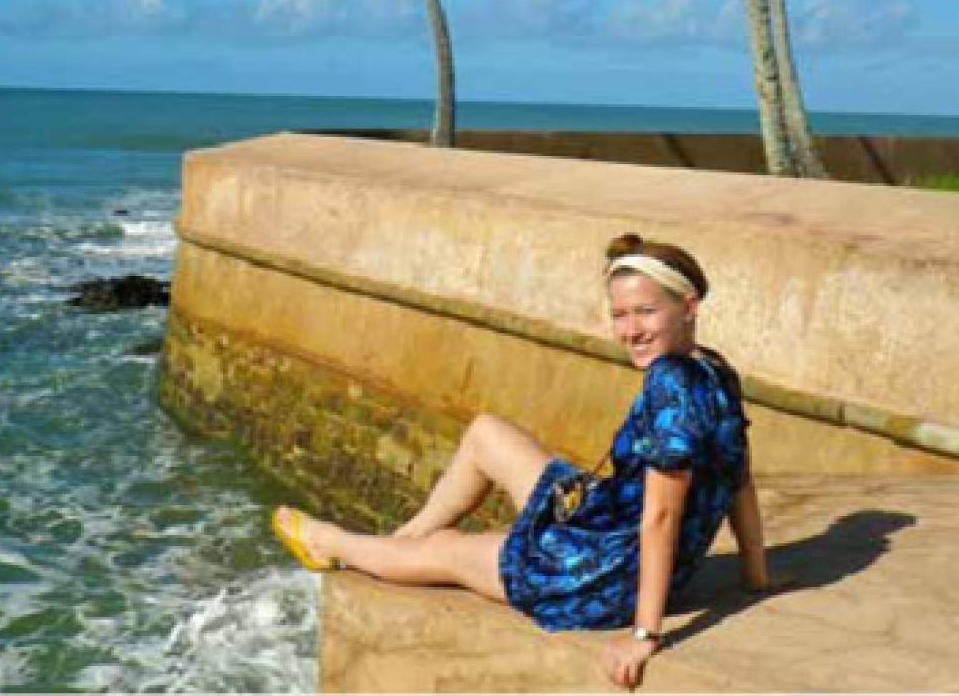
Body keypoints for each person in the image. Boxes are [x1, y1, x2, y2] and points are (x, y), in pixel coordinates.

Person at [272, 232, 774, 690]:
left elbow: (661, 517)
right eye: (621, 315)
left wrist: (644, 633)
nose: (631, 330)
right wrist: (757, 577)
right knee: (486, 434)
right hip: (605, 522)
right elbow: (739, 479)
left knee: (448, 550)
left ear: (688, 305)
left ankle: (332, 543)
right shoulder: (714, 369)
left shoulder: (671, 387)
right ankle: (403, 541)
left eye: (646, 312)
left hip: (603, 573)